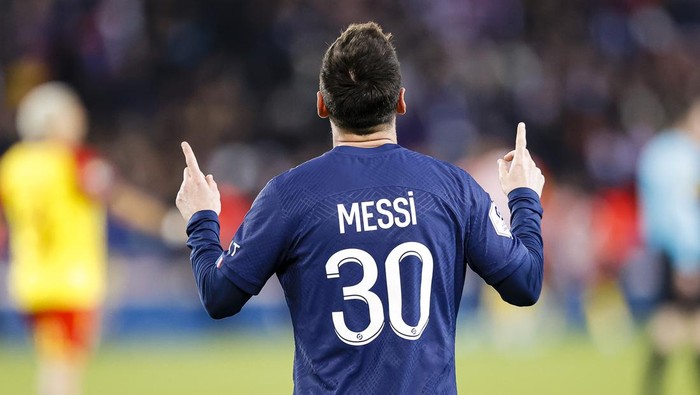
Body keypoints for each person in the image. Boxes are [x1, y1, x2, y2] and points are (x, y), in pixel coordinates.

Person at [177, 22, 545, 393]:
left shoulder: (289, 196)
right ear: (400, 100)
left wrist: (202, 219)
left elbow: (218, 295)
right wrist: (523, 197)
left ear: (322, 104)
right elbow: (525, 284)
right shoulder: (452, 189)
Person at [0, 82, 179, 395]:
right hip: (71, 280)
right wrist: (166, 223)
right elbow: (120, 199)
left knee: (54, 360)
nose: (79, 119)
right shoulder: (75, 159)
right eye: (71, 113)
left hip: (29, 279)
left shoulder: (13, 164)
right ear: (50, 121)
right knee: (64, 367)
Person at [637, 96, 700, 395]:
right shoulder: (681, 156)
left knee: (675, 321)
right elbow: (680, 210)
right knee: (674, 323)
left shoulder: (659, 152)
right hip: (683, 251)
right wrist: (687, 258)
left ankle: (652, 388)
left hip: (667, 247)